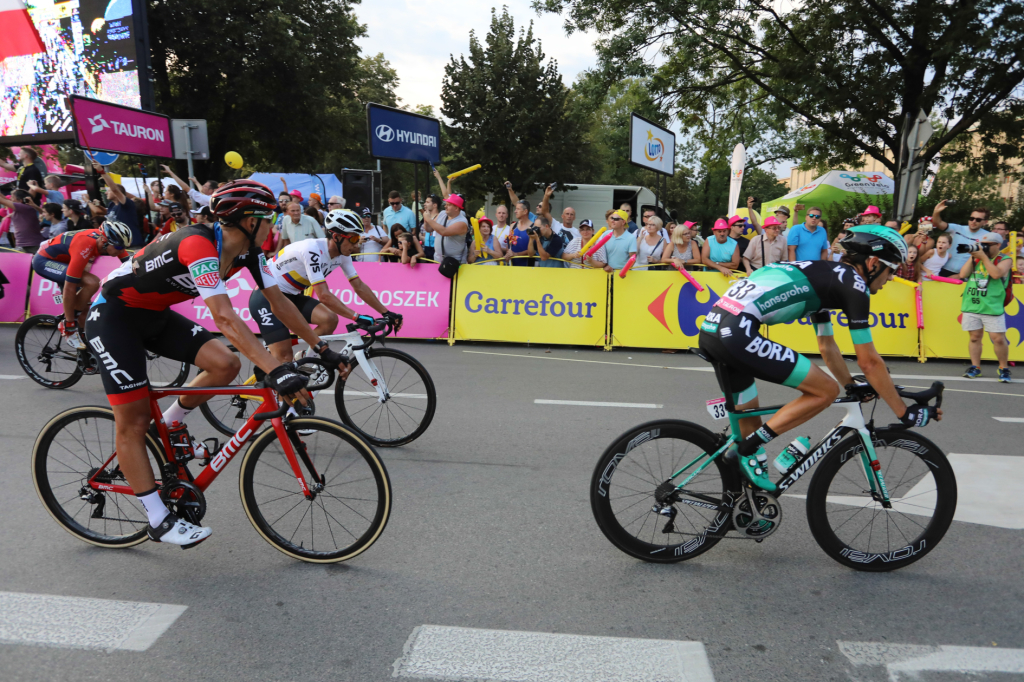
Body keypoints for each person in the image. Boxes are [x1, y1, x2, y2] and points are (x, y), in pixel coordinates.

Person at [85, 180, 345, 547]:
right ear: (248, 222)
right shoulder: (198, 244)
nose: (275, 226)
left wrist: (321, 347)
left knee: (225, 363)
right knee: (135, 421)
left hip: (154, 314)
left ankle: (171, 423)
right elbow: (224, 318)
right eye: (269, 218)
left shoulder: (250, 253)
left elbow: (281, 303)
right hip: (112, 318)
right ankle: (158, 519)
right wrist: (275, 369)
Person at [698, 226, 940, 491]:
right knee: (824, 391)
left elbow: (827, 346)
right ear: (872, 263)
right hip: (737, 333)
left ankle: (742, 502)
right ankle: (745, 448)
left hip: (713, 330)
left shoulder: (823, 273)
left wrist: (850, 385)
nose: (891, 278)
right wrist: (903, 412)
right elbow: (869, 361)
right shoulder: (854, 284)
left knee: (750, 428)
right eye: (891, 270)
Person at [251, 208, 401, 366]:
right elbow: (323, 295)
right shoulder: (312, 250)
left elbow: (359, 286)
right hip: (265, 297)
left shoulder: (343, 254)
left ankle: (304, 360)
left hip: (290, 296)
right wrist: (356, 317)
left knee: (329, 319)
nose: (357, 244)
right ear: (336, 236)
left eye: (359, 238)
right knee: (284, 357)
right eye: (353, 238)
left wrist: (386, 312)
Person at [33, 220, 131, 349]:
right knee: (92, 282)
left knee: (85, 314)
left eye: (124, 247)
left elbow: (130, 265)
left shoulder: (111, 241)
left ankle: (86, 361)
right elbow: (69, 287)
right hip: (45, 261)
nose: (122, 250)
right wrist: (69, 322)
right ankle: (67, 325)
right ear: (105, 242)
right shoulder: (85, 245)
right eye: (119, 247)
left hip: (68, 260)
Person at [958, 234, 1013, 382]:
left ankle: (1003, 368)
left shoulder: (1005, 259)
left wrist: (983, 257)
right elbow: (963, 274)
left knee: (998, 339)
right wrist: (972, 257)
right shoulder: (976, 258)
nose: (983, 247)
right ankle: (975, 367)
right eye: (982, 244)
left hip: (992, 305)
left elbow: (996, 274)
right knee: (974, 337)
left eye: (987, 244)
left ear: (997, 245)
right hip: (972, 303)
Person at [931, 202, 991, 278]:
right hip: (942, 269)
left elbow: (987, 257)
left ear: (985, 222)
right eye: (972, 218)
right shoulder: (958, 228)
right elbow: (938, 223)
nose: (973, 221)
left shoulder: (988, 236)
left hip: (964, 275)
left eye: (978, 220)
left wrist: (960, 276)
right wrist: (936, 212)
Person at [423, 194, 470, 265]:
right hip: (438, 260)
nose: (445, 206)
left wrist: (429, 219)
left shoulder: (462, 222)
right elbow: (429, 229)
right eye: (446, 204)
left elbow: (444, 232)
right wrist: (426, 219)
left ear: (456, 208)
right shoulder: (442, 214)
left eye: (448, 205)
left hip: (454, 262)